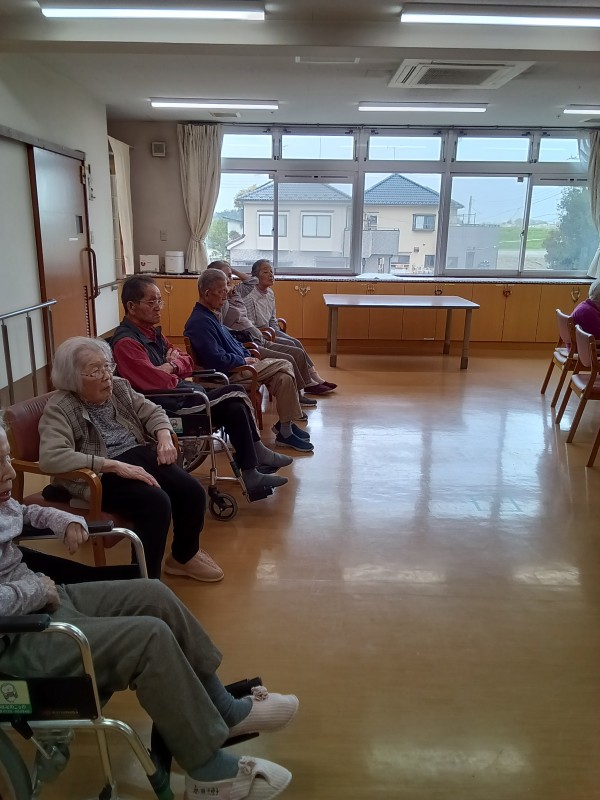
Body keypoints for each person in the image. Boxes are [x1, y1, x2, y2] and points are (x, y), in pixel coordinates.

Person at [0, 420, 297, 800]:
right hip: (18, 638)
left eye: (7, 459)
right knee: (148, 638)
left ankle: (223, 710)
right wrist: (34, 589)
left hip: (44, 601)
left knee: (153, 595)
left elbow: (25, 512)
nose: (10, 472)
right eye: (0, 463)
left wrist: (67, 520)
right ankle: (209, 773)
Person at [38, 336, 221, 582]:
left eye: (107, 366)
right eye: (95, 370)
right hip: (99, 475)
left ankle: (183, 557)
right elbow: (51, 457)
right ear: (72, 378)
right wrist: (112, 465)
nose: (106, 376)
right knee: (156, 503)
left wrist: (164, 436)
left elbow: (153, 411)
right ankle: (144, 579)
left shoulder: (119, 387)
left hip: (136, 455)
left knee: (192, 491)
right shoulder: (60, 407)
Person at [110, 275, 292, 499]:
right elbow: (157, 381)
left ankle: (251, 472)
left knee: (234, 407)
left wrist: (171, 365)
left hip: (183, 395)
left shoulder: (152, 333)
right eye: (151, 302)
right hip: (168, 408)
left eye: (159, 301)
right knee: (235, 392)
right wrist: (172, 369)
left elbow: (187, 362)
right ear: (131, 307)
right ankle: (258, 454)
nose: (158, 307)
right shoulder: (127, 343)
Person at [184, 270, 314, 453]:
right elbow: (216, 359)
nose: (226, 295)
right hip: (230, 373)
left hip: (240, 367)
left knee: (283, 377)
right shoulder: (200, 322)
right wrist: (243, 359)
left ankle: (285, 429)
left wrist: (245, 353)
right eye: (222, 291)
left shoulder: (211, 315)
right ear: (207, 293)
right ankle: (285, 429)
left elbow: (233, 343)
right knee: (286, 363)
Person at [208, 260, 320, 408]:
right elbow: (222, 326)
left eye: (229, 276)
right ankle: (298, 396)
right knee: (289, 358)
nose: (229, 280)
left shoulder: (236, 292)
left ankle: (305, 387)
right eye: (224, 276)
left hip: (258, 338)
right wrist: (225, 291)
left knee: (296, 351)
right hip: (249, 344)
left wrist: (232, 271)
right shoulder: (220, 302)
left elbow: (252, 281)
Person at [237, 259, 336, 395]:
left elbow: (272, 319)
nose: (271, 275)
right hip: (259, 333)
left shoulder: (270, 293)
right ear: (255, 276)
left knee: (295, 342)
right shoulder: (249, 295)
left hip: (270, 330)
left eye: (272, 271)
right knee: (292, 345)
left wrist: (278, 333)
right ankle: (308, 383)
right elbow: (251, 325)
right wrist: (272, 335)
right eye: (266, 272)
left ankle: (315, 377)